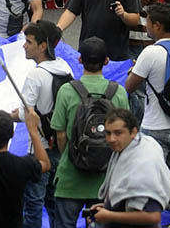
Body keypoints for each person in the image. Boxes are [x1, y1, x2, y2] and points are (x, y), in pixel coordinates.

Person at [50, 36, 129, 228]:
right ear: (106, 61)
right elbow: (126, 136)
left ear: (79, 60)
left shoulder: (67, 91)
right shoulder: (118, 91)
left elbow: (60, 134)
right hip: (106, 180)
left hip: (71, 177)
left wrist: (69, 155)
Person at [124, 3, 170, 228]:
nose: (146, 26)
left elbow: (130, 86)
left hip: (155, 128)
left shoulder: (151, 52)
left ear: (158, 25)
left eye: (148, 22)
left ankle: (150, 222)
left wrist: (134, 70)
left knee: (150, 181)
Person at [12, 21, 73, 228]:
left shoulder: (35, 75)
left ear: (43, 46)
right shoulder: (64, 67)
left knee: (33, 202)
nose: (24, 46)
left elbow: (24, 113)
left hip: (39, 149)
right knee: (54, 200)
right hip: (60, 144)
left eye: (28, 42)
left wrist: (10, 115)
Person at [88, 108, 170, 227]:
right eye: (108, 133)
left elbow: (153, 216)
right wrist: (109, 208)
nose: (111, 139)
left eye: (118, 133)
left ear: (133, 132)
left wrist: (109, 216)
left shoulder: (144, 164)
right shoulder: (128, 148)